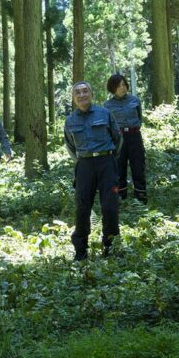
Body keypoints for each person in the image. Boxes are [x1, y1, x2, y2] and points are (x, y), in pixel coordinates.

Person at [64, 81, 123, 261]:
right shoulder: (70, 120)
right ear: (74, 98)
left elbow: (117, 138)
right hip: (84, 166)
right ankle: (80, 252)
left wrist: (109, 158)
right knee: (82, 208)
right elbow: (70, 146)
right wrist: (83, 160)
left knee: (110, 206)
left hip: (106, 163)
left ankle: (111, 249)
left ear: (91, 94)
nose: (82, 95)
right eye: (78, 93)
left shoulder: (105, 114)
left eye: (85, 91)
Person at [104, 73, 147, 204]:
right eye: (118, 86)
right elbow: (107, 125)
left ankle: (141, 196)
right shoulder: (107, 106)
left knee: (138, 166)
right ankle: (121, 196)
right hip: (118, 138)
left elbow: (139, 118)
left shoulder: (135, 100)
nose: (122, 88)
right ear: (112, 88)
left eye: (124, 84)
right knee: (119, 166)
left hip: (134, 136)